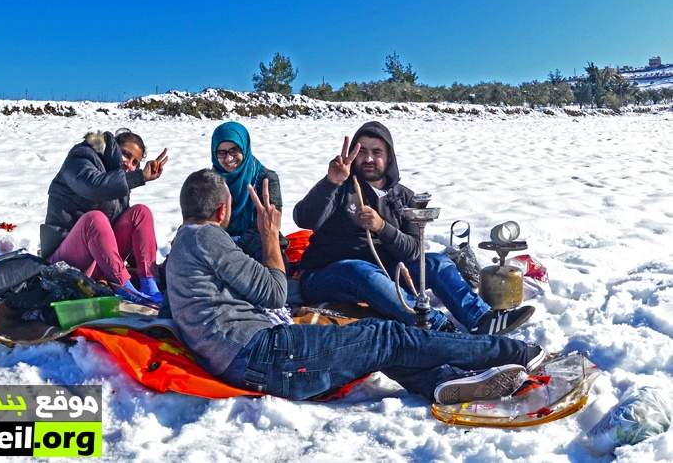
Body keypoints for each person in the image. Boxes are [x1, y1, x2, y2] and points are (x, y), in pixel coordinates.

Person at [165, 169, 545, 404]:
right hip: (264, 354)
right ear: (221, 211)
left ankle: (445, 383)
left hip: (252, 357)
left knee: (376, 348)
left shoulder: (183, 244)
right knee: (388, 335)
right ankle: (513, 352)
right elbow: (275, 291)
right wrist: (268, 237)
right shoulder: (207, 238)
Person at [293, 121, 535, 335]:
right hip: (327, 275)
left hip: (383, 274)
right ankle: (436, 325)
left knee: (437, 263)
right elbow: (304, 219)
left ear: (389, 157)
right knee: (360, 270)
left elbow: (413, 252)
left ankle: (481, 318)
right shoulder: (340, 187)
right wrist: (331, 182)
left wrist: (382, 227)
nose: (368, 159)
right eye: (362, 152)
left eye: (376, 152)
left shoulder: (404, 198)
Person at [40, 129, 168, 305]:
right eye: (125, 154)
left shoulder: (119, 182)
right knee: (95, 219)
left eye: (135, 162)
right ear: (113, 147)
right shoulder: (81, 157)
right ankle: (125, 288)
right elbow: (93, 186)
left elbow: (126, 231)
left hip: (100, 264)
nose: (129, 164)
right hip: (64, 264)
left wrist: (140, 264)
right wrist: (138, 177)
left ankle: (150, 285)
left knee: (140, 212)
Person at [211, 121, 287, 261]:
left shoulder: (266, 179)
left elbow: (270, 223)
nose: (228, 158)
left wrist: (236, 246)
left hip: (258, 241)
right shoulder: (209, 181)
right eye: (221, 153)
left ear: (244, 148)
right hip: (220, 243)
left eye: (234, 150)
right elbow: (200, 218)